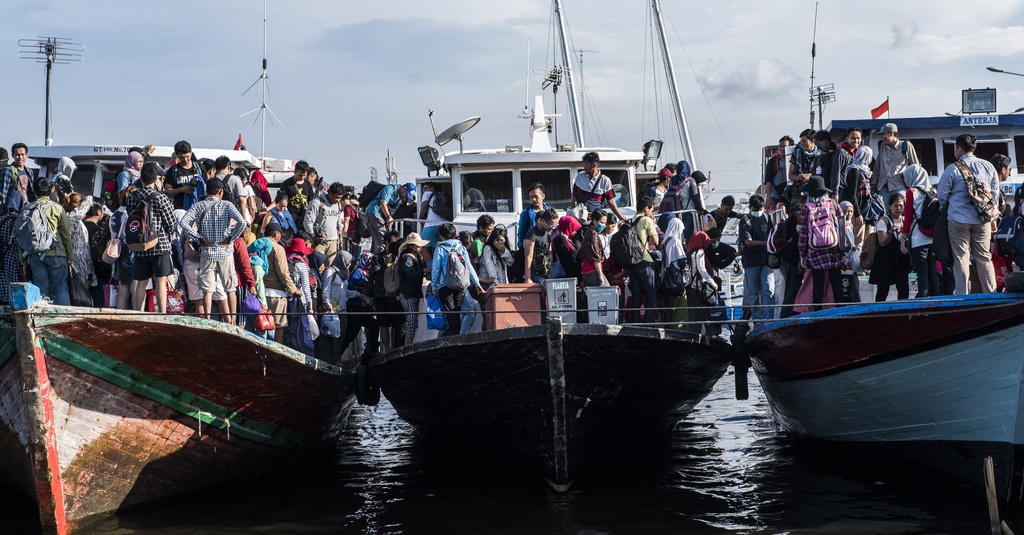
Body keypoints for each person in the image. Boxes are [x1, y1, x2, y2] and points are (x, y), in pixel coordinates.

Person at [178, 178, 248, 323]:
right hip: (224, 252)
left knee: (207, 290)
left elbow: (184, 222)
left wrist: (198, 237)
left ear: (206, 191)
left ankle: (207, 321)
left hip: (207, 251)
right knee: (230, 288)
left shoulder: (199, 206)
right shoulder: (227, 205)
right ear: (221, 192)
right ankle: (233, 321)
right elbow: (242, 222)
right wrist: (231, 239)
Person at [938, 133, 1000, 295]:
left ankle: (962, 295)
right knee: (984, 257)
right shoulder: (988, 166)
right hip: (982, 219)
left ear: (959, 148)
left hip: (958, 219)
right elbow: (995, 194)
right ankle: (991, 294)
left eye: (955, 148)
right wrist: (992, 218)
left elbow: (941, 196)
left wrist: (947, 208)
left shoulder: (953, 168)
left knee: (961, 258)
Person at [126, 162, 177, 313]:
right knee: (161, 280)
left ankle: (138, 313)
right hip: (160, 245)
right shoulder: (161, 198)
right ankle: (162, 313)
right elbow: (170, 223)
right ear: (156, 180)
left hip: (140, 245)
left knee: (141, 282)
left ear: (141, 179)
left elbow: (131, 217)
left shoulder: (132, 197)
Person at [797, 175, 845, 311]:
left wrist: (803, 255)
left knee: (817, 284)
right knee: (837, 282)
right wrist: (842, 249)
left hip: (815, 251)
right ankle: (841, 311)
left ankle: (817, 313)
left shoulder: (806, 208)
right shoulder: (833, 204)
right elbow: (842, 227)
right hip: (833, 248)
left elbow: (804, 234)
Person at [431, 223, 484, 337]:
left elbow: (435, 269)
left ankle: (455, 337)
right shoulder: (461, 247)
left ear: (442, 236)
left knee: (450, 312)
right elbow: (469, 266)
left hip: (445, 284)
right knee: (458, 310)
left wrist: (434, 286)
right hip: (461, 284)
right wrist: (476, 283)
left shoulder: (440, 248)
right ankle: (459, 336)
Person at [900, 164, 939, 298]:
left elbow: (908, 217)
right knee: (933, 271)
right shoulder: (933, 191)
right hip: (933, 237)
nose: (905, 181)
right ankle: (936, 297)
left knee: (922, 271)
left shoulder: (911, 192)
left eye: (905, 178)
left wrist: (903, 237)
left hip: (919, 238)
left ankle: (922, 297)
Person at [261, 223, 303, 343]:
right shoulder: (277, 248)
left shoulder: (257, 245)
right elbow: (283, 273)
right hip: (276, 294)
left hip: (259, 292)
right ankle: (275, 356)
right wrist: (294, 289)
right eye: (280, 235)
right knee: (279, 325)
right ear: (276, 234)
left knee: (260, 324)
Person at [737, 194, 773, 321]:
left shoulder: (768, 218)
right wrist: (766, 243)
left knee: (768, 291)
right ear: (750, 207)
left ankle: (769, 320)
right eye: (755, 209)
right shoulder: (745, 221)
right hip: (751, 261)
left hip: (766, 261)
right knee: (753, 294)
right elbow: (748, 242)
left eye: (760, 209)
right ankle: (757, 320)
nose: (758, 212)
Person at [869, 193, 911, 301]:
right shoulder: (884, 221)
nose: (898, 208)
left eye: (901, 206)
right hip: (885, 262)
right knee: (882, 292)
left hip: (900, 262)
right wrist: (890, 232)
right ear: (890, 207)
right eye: (896, 206)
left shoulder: (906, 221)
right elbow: (882, 242)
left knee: (903, 290)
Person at [626, 196, 659, 323]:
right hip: (644, 262)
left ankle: (635, 326)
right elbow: (655, 242)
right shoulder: (646, 220)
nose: (651, 213)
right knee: (651, 298)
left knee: (636, 298)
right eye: (651, 210)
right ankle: (649, 326)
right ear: (646, 208)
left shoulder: (629, 221)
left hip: (631, 264)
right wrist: (654, 225)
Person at [873, 123, 919, 209]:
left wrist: (914, 186)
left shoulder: (906, 146)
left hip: (899, 186)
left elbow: (915, 167)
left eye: (884, 134)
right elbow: (877, 166)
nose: (882, 137)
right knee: (883, 212)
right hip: (883, 186)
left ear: (891, 133)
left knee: (900, 210)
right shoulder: (883, 146)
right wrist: (873, 183)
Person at [571, 152, 626, 221]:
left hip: (595, 219)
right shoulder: (580, 176)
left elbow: (611, 201)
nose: (584, 167)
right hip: (579, 217)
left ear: (594, 165)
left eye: (586, 165)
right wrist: (574, 198)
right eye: (584, 165)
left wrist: (620, 216)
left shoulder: (605, 181)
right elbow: (574, 190)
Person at [397, 233, 429, 345]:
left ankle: (408, 345)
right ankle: (407, 346)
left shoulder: (417, 257)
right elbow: (410, 275)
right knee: (411, 322)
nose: (420, 247)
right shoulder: (408, 258)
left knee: (413, 322)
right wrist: (424, 271)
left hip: (413, 293)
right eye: (417, 245)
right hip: (408, 294)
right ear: (411, 246)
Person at [685, 231, 719, 335]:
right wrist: (712, 282)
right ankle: (710, 336)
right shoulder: (700, 251)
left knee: (693, 316)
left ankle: (693, 336)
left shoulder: (689, 252)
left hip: (689, 288)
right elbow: (702, 269)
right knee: (705, 313)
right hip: (699, 288)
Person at [304, 182, 346, 267]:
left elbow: (338, 218)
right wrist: (313, 236)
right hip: (319, 242)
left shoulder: (337, 204)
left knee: (330, 268)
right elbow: (307, 221)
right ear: (330, 193)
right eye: (336, 197)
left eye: (340, 198)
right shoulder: (317, 203)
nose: (338, 200)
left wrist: (340, 229)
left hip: (333, 241)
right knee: (317, 267)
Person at [366, 182, 414, 254]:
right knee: (383, 239)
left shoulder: (399, 198)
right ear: (404, 188)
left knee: (377, 240)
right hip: (374, 212)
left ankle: (373, 259)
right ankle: (382, 259)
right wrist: (388, 217)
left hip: (381, 216)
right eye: (407, 195)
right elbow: (383, 203)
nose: (406, 197)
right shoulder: (390, 189)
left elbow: (393, 210)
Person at [659, 217, 689, 327]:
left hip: (667, 279)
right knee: (680, 308)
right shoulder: (676, 241)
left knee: (670, 308)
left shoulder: (665, 241)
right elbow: (681, 261)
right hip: (676, 278)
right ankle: (681, 330)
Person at [163, 141, 205, 211]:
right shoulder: (173, 170)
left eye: (187, 156)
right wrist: (182, 189)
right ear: (177, 156)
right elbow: (167, 190)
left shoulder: (199, 168)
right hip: (180, 209)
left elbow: (206, 186)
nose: (185, 160)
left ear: (191, 152)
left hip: (198, 208)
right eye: (182, 157)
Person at [0, 193, 25, 305]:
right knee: (14, 281)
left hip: (2, 254)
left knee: (3, 280)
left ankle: (3, 302)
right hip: (15, 256)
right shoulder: (19, 220)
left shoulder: (2, 219)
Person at [278, 160, 316, 231]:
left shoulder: (308, 185)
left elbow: (311, 201)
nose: (302, 177)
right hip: (289, 216)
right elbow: (279, 200)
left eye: (304, 175)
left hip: (303, 217)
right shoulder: (287, 184)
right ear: (295, 172)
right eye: (300, 175)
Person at [523, 208, 558, 283]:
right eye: (551, 225)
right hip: (534, 271)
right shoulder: (532, 235)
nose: (552, 228)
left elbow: (550, 252)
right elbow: (528, 257)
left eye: (555, 226)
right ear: (542, 221)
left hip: (546, 269)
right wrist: (528, 278)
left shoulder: (548, 234)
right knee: (544, 287)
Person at [579, 209, 609, 287]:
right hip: (593, 270)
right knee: (608, 294)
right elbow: (596, 258)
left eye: (605, 223)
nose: (604, 225)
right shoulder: (593, 234)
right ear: (594, 221)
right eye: (602, 222)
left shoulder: (588, 232)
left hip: (586, 271)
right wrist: (600, 275)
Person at [517, 182, 552, 249]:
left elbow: (555, 230)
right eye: (531, 197)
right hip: (532, 248)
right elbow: (521, 233)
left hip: (548, 247)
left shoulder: (550, 212)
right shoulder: (526, 213)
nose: (533, 199)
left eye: (536, 196)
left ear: (543, 196)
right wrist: (522, 248)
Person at [788, 129, 820, 199]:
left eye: (805, 141)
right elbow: (790, 175)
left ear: (812, 141)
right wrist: (800, 177)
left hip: (814, 190)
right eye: (801, 141)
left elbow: (823, 174)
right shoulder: (796, 154)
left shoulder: (821, 155)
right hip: (799, 190)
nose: (802, 143)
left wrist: (810, 176)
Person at [549, 215, 582, 280]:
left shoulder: (565, 239)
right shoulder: (561, 241)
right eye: (573, 228)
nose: (575, 232)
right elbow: (568, 261)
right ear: (567, 227)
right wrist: (579, 278)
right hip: (564, 276)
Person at [764, 135, 794, 206]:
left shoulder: (795, 160)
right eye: (780, 146)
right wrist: (769, 198)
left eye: (785, 146)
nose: (782, 148)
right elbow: (768, 181)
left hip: (792, 193)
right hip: (776, 195)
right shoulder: (773, 161)